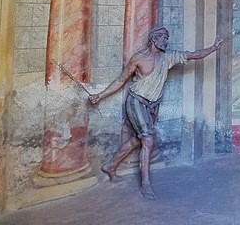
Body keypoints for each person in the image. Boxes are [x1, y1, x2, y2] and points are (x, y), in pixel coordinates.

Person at [89, 27, 223, 200]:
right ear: (153, 39)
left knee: (139, 139)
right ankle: (146, 184)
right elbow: (121, 80)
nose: (166, 41)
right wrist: (100, 96)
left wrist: (213, 48)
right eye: (163, 38)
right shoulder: (139, 58)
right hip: (136, 101)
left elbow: (193, 55)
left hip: (153, 105)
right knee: (148, 139)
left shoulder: (168, 57)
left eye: (167, 38)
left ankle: (111, 165)